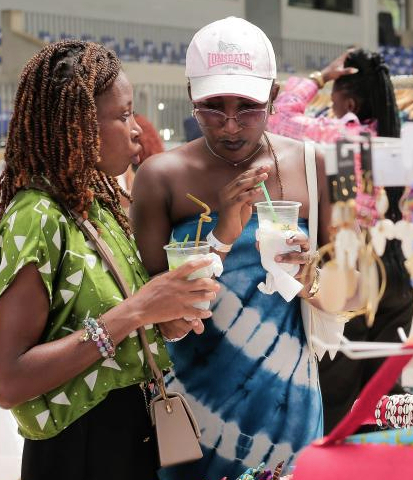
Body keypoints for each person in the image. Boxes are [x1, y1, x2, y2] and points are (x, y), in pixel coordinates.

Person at [0, 41, 219, 480]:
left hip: (132, 436)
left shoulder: (96, 204)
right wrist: (137, 310)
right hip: (79, 451)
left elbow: (110, 325)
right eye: (123, 114)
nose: (136, 129)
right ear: (77, 125)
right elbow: (7, 381)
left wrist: (165, 320)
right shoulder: (36, 216)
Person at [131, 18, 353, 479]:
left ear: (273, 97)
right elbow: (153, 319)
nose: (230, 126)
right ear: (191, 95)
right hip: (194, 408)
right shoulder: (161, 177)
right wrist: (222, 237)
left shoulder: (311, 165)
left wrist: (309, 274)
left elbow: (348, 299)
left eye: (247, 107)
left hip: (289, 407)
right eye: (213, 107)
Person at [268, 48, 413, 433]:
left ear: (348, 100)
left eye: (333, 97)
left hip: (350, 265)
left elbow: (278, 115)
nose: (329, 103)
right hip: (398, 271)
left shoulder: (334, 137)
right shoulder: (400, 146)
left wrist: (320, 75)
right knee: (386, 397)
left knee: (337, 391)